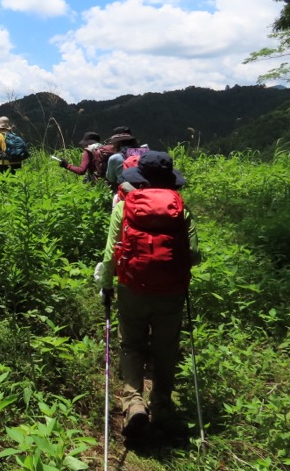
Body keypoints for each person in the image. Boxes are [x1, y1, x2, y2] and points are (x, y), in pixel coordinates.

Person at [95, 151, 201, 438]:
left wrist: (106, 285)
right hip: (171, 290)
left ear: (140, 178)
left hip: (132, 288)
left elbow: (111, 254)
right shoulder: (181, 210)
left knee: (131, 344)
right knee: (166, 348)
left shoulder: (124, 207)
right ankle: (163, 407)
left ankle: (133, 404)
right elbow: (193, 255)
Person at [106, 130, 149, 207]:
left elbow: (111, 178)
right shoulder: (146, 154)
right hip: (146, 192)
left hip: (125, 193)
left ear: (117, 143)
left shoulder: (115, 158)